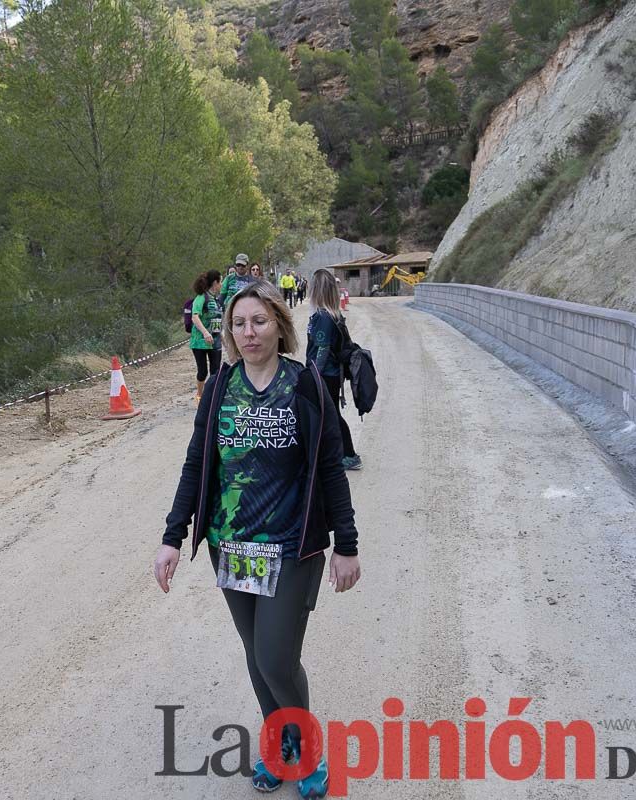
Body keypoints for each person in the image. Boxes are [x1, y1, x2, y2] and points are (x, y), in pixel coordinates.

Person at [155, 280, 361, 799]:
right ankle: (281, 743)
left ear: (279, 325)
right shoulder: (222, 387)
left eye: (260, 321)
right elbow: (198, 463)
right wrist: (173, 535)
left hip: (292, 546)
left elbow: (330, 469)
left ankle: (306, 747)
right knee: (255, 654)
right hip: (233, 546)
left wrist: (347, 543)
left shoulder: (306, 384)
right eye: (239, 323)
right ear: (228, 331)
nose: (249, 333)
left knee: (275, 658)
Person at [307, 269, 361, 470]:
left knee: (331, 416)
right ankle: (337, 453)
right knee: (328, 415)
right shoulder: (330, 314)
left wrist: (313, 375)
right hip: (329, 374)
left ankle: (349, 455)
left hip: (324, 374)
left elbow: (322, 349)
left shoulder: (323, 317)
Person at [189, 270, 223, 401]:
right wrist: (205, 332)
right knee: (202, 371)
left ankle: (213, 397)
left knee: (215, 371)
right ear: (215, 282)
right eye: (221, 281)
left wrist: (222, 338)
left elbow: (217, 321)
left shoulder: (217, 300)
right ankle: (200, 395)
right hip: (199, 342)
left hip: (215, 341)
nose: (221, 285)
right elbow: (195, 317)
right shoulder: (201, 298)